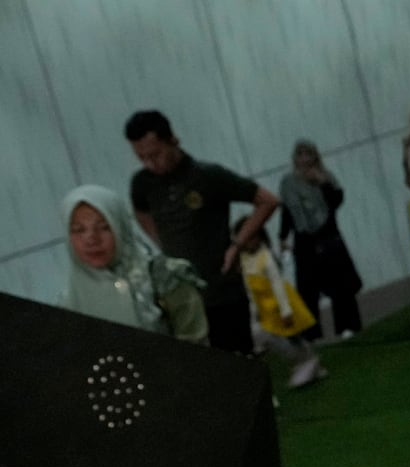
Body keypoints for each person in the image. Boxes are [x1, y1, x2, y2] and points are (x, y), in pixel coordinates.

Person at [126, 109, 279, 355]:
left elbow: (268, 201)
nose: (150, 163)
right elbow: (141, 213)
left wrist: (237, 245)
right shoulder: (142, 184)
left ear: (172, 141)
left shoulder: (207, 176)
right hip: (181, 298)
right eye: (141, 157)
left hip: (222, 292)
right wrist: (162, 243)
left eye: (155, 154)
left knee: (240, 370)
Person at [60, 184, 207, 344]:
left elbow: (197, 351)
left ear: (121, 228)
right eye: (78, 230)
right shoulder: (68, 304)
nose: (91, 239)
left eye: (104, 227)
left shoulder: (165, 278)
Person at [278, 140, 363, 340]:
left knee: (341, 285)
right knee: (307, 290)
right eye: (300, 154)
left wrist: (322, 182)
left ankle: (347, 327)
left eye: (309, 154)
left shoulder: (326, 177)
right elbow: (288, 212)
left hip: (329, 237)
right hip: (304, 241)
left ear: (316, 157)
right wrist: (282, 237)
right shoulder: (288, 183)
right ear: (294, 158)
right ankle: (312, 334)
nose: (304, 159)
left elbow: (336, 202)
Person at [233, 218, 327, 389]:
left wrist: (286, 311)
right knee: (275, 337)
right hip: (265, 306)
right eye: (245, 239)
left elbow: (277, 285)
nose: (249, 242)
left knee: (293, 335)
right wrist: (255, 310)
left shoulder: (266, 257)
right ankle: (301, 362)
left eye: (253, 237)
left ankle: (309, 363)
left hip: (280, 303)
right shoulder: (244, 259)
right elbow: (249, 288)